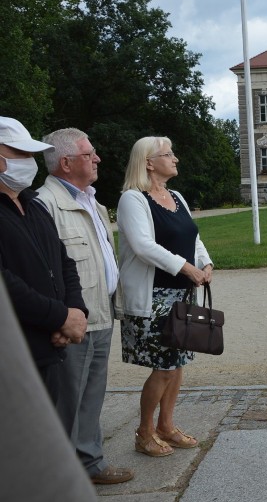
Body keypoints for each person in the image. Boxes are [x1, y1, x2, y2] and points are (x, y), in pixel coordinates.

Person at [37, 128, 133, 485]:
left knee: (92, 395)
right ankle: (60, 476)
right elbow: (45, 271)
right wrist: (60, 318)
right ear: (65, 162)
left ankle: (90, 464)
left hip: (101, 312)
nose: (97, 159)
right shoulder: (44, 205)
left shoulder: (93, 200)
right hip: (72, 321)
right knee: (66, 401)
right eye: (89, 154)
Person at [115, 137, 213, 457]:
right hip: (153, 297)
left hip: (182, 294)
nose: (176, 159)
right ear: (147, 162)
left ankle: (166, 426)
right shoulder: (133, 199)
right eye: (168, 154)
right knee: (164, 366)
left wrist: (204, 262)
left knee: (179, 362)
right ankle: (144, 432)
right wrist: (186, 268)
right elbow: (143, 246)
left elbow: (191, 236)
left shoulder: (176, 196)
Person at [0, 116, 88, 405]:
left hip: (50, 348)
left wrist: (74, 311)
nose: (30, 161)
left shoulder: (33, 205)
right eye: (20, 153)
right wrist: (59, 317)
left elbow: (64, 262)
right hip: (14, 358)